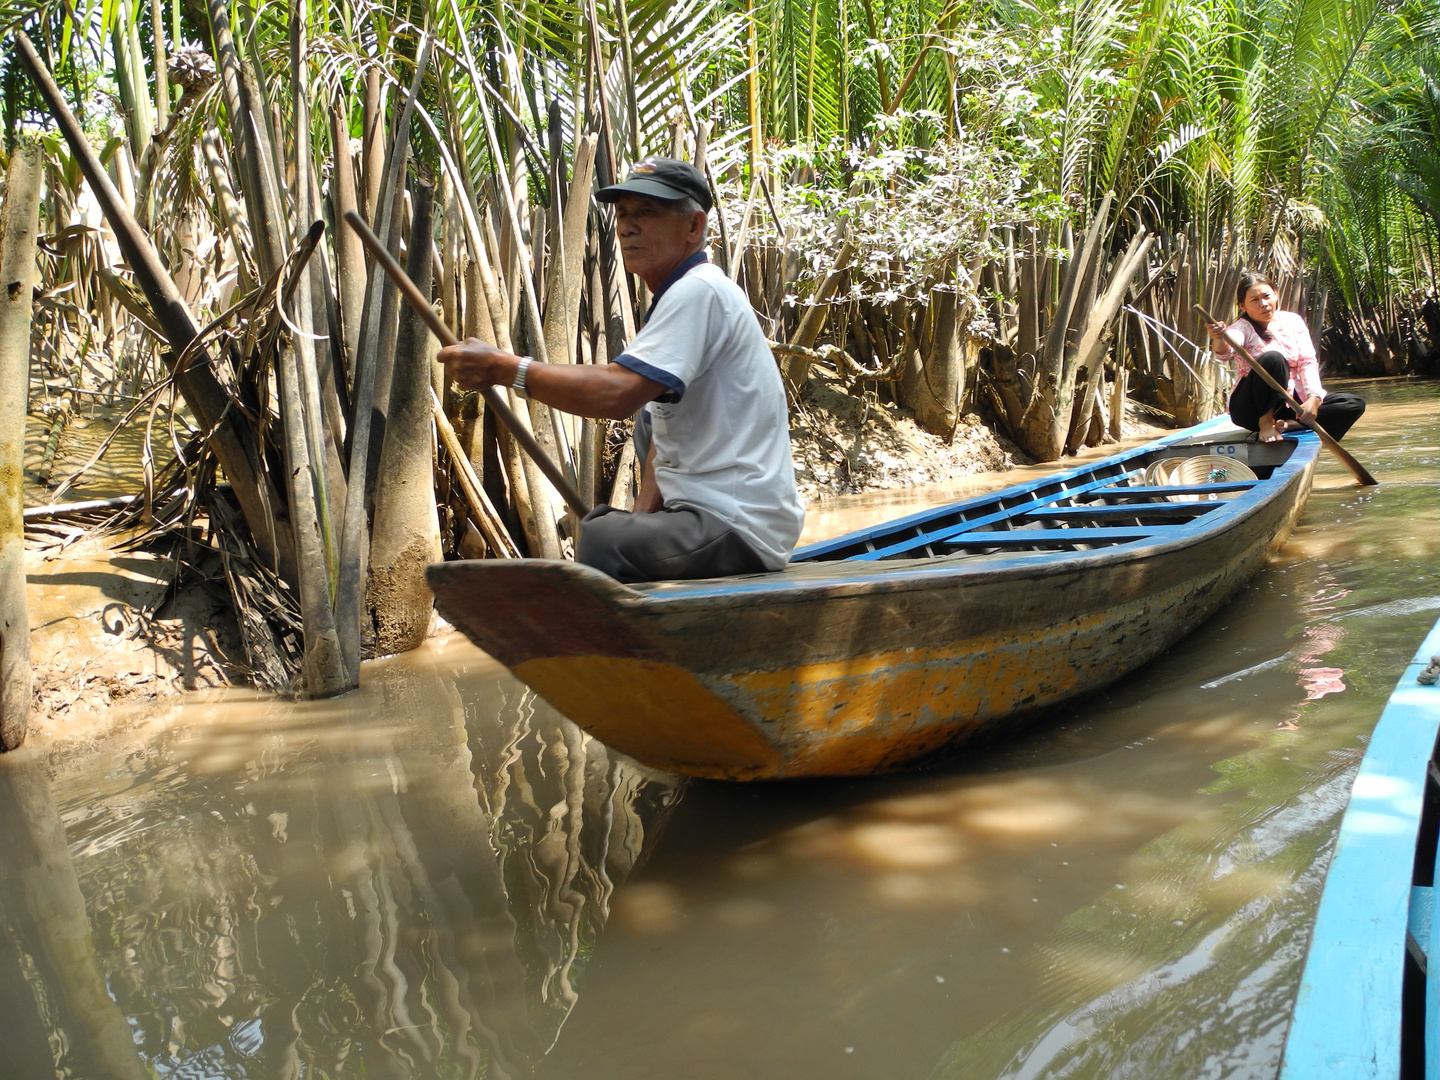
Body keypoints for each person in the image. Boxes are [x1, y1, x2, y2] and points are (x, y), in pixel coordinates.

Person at [438, 157, 805, 584]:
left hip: (738, 524)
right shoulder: (680, 296)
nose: (628, 227)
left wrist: (507, 369)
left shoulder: (699, 291)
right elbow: (658, 443)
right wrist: (640, 523)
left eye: (647, 213)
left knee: (603, 537)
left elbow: (617, 394)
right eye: (624, 215)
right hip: (709, 519)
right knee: (644, 439)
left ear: (694, 227)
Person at [1206, 272, 1365, 443]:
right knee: (1274, 359)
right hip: (1253, 408)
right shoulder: (1241, 328)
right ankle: (1266, 423)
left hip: (1290, 404)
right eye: (1255, 300)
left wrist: (1313, 399)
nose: (1264, 304)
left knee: (1352, 404)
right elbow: (1225, 352)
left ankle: (1293, 424)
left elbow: (1307, 362)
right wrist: (1219, 337)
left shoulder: (1293, 321)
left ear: (1276, 294)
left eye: (1267, 296)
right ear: (1242, 306)